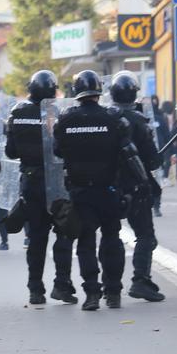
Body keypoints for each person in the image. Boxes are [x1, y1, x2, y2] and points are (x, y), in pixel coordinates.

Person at [53, 70, 149, 311]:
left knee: (85, 243)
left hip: (80, 192)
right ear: (99, 92)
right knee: (111, 240)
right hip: (109, 191)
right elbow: (130, 154)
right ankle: (114, 293)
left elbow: (57, 152)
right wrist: (142, 182)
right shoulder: (113, 118)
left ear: (76, 94)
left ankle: (92, 293)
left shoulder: (66, 120)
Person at [4, 69, 77, 305]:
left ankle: (35, 289)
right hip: (57, 181)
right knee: (64, 233)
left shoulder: (17, 113)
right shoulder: (59, 113)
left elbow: (10, 152)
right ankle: (62, 285)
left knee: (36, 237)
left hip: (31, 182)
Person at [109, 72, 165, 302]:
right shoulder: (139, 122)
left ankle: (110, 287)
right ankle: (140, 280)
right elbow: (153, 161)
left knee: (110, 237)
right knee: (145, 236)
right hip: (135, 186)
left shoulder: (106, 118)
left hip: (109, 186)